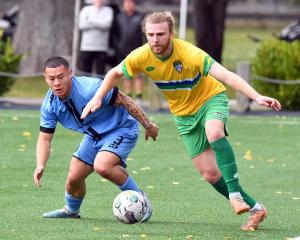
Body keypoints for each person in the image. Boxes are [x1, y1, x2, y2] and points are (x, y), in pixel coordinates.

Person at [81, 11, 282, 231]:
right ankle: (256, 208)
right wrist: (98, 98)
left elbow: (226, 75)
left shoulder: (189, 53)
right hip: (184, 115)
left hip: (209, 100)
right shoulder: (141, 55)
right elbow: (113, 74)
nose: (155, 39)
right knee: (209, 174)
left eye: (160, 34)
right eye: (150, 34)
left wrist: (256, 96)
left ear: (171, 33)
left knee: (214, 132)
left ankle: (234, 194)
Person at [33, 56, 159, 221]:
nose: (56, 83)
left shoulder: (90, 88)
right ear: (45, 78)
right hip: (94, 136)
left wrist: (148, 125)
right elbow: (44, 139)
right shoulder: (49, 105)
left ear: (70, 74)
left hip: (122, 128)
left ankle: (142, 201)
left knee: (103, 166)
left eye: (61, 77)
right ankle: (71, 210)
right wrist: (40, 164)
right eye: (52, 78)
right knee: (73, 178)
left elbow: (125, 100)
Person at [115, 0, 144, 101]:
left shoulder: (140, 17)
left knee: (138, 74)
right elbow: (115, 34)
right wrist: (117, 46)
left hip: (138, 51)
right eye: (126, 3)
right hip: (123, 51)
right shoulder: (119, 17)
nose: (128, 5)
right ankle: (128, 98)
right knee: (126, 74)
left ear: (134, 4)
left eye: (130, 3)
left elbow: (144, 35)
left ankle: (139, 98)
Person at [78, 0, 113, 75]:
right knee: (85, 72)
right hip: (86, 47)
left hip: (101, 48)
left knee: (100, 73)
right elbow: (82, 25)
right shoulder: (86, 9)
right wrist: (100, 23)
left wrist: (90, 21)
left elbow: (107, 25)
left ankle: (100, 87)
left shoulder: (108, 10)